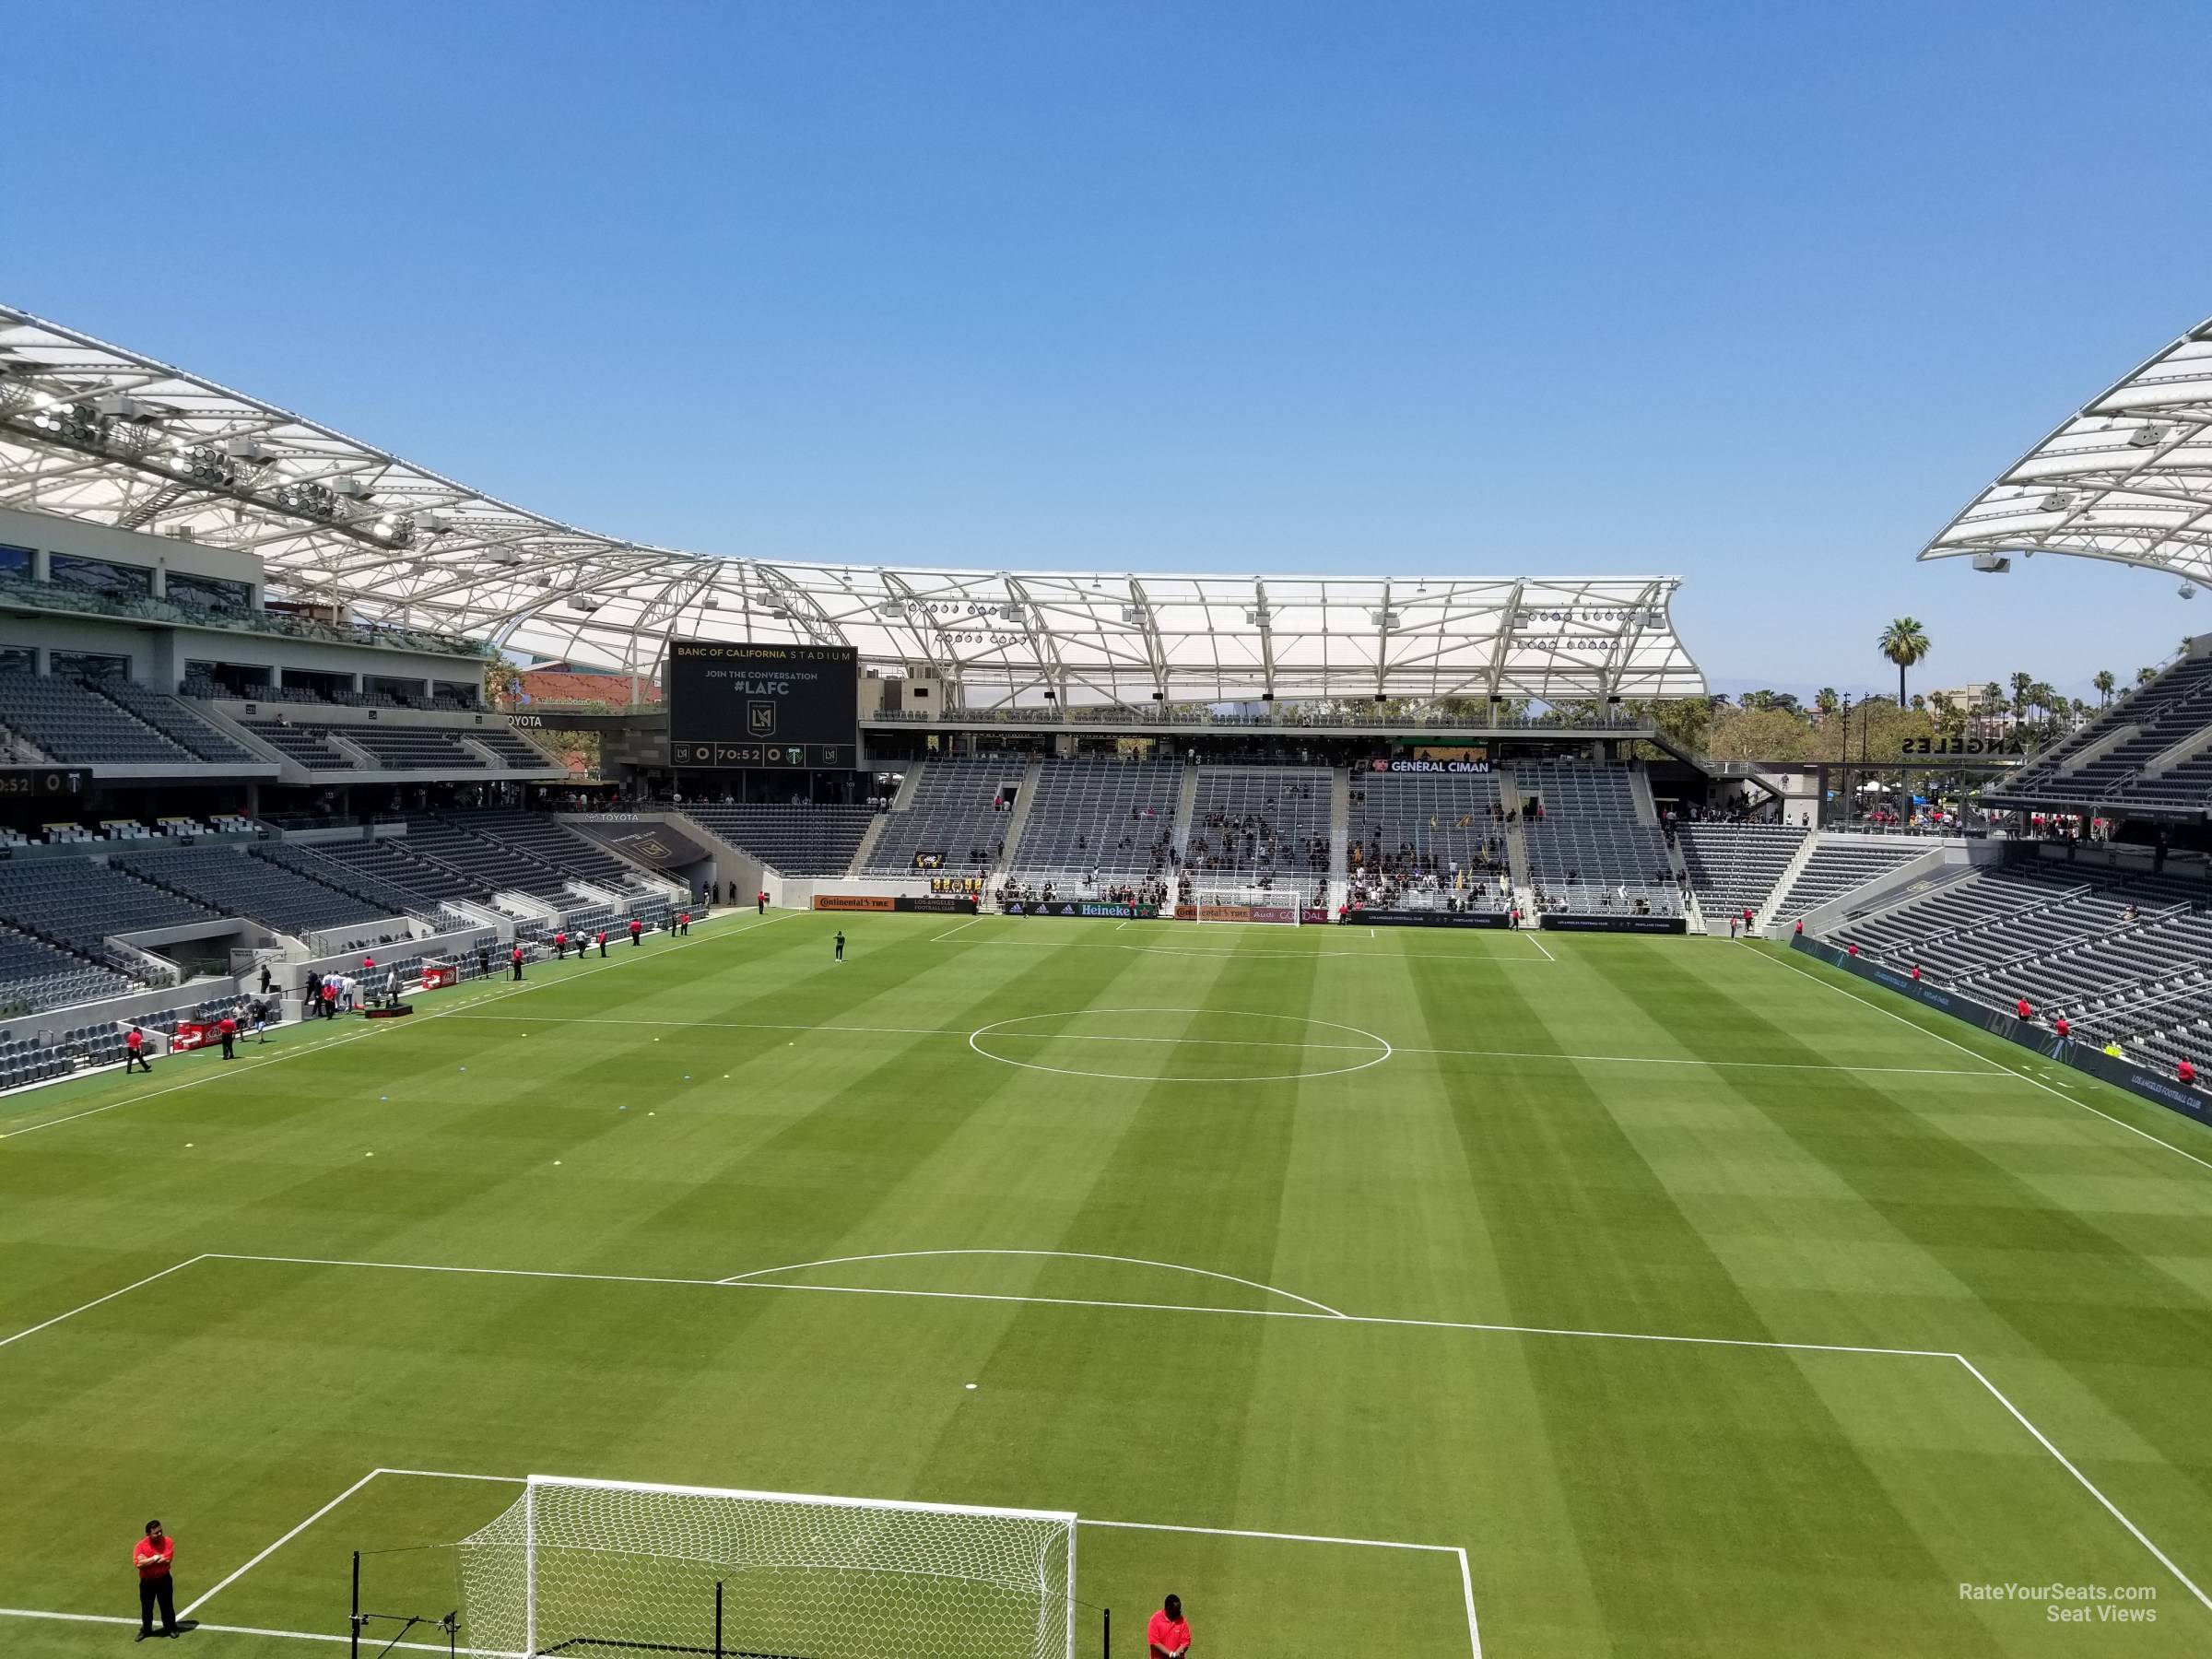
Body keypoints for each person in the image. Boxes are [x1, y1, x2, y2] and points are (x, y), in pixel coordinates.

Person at [135, 1518, 180, 1641]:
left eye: (160, 1531)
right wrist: (155, 1558)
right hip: (147, 1582)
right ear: (148, 1534)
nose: (160, 1534)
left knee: (167, 1606)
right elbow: (139, 1564)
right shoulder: (140, 1546)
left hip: (163, 1579)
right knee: (146, 1607)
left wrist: (148, 1560)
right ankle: (146, 1630)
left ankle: (171, 1628)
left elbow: (167, 1559)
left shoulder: (167, 1542)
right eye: (156, 1532)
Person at [1147, 1593, 1191, 1659]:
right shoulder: (1155, 1620)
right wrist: (1171, 1654)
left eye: (1179, 1610)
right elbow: (1154, 1642)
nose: (1179, 1613)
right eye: (1176, 1611)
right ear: (1168, 1608)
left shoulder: (1182, 1621)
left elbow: (1185, 1642)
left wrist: (1177, 1653)